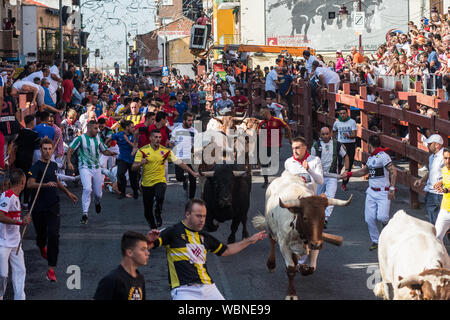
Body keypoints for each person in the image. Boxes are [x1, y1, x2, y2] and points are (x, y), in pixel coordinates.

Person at [146, 199, 267, 300]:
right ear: (187, 214)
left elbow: (226, 250)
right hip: (184, 290)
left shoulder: (204, 236)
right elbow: (146, 246)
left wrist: (250, 240)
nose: (202, 220)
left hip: (209, 287)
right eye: (198, 216)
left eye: (204, 216)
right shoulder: (173, 232)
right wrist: (148, 240)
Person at [28, 138, 78, 282]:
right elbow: (30, 185)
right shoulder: (36, 167)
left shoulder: (54, 165)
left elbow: (55, 181)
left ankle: (51, 269)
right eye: (45, 149)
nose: (48, 151)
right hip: (38, 207)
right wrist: (44, 185)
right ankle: (41, 245)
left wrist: (68, 193)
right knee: (41, 237)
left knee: (54, 235)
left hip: (53, 205)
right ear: (40, 150)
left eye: (50, 149)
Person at [132, 129, 199, 229]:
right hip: (146, 184)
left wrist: (192, 172)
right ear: (150, 138)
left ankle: (158, 212)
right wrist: (141, 163)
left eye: (159, 137)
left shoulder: (166, 151)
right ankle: (153, 228)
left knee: (160, 196)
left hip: (160, 181)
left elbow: (179, 162)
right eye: (155, 137)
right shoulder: (142, 151)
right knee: (147, 211)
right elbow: (133, 167)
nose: (158, 139)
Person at [340, 135, 397, 251]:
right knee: (369, 218)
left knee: (382, 217)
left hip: (383, 192)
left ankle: (388, 233)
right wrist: (349, 174)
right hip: (371, 191)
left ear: (369, 145)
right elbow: (363, 171)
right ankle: (376, 241)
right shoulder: (371, 158)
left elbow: (393, 171)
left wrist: (392, 189)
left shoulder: (383, 156)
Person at [67, 120, 118, 225]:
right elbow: (70, 149)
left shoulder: (97, 138)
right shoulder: (80, 138)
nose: (97, 130)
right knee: (87, 188)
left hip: (96, 168)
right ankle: (85, 214)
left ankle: (97, 202)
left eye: (98, 128)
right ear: (89, 128)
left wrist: (111, 153)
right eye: (95, 128)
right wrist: (68, 162)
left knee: (98, 194)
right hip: (84, 167)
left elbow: (104, 150)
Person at [0, 169, 30, 300]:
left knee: (20, 272)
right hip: (3, 243)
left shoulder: (16, 197)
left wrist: (23, 220)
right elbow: (0, 216)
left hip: (16, 242)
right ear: (23, 182)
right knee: (3, 276)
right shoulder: (7, 195)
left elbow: (15, 219)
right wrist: (20, 223)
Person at [311, 127, 349, 228]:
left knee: (330, 196)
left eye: (327, 134)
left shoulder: (337, 144)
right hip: (319, 176)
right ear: (320, 135)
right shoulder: (316, 145)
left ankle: (325, 219)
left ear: (331, 134)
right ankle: (319, 217)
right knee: (318, 199)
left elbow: (346, 156)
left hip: (333, 176)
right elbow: (311, 161)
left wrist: (346, 170)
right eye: (323, 134)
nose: (325, 136)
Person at [93, 231, 149, 300]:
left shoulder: (140, 279)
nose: (147, 253)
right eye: (143, 249)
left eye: (147, 249)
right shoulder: (112, 280)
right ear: (129, 252)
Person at [413, 134, 444, 225]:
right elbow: (431, 172)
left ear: (437, 145)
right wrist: (421, 180)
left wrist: (442, 182)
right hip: (431, 192)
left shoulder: (445, 157)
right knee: (434, 221)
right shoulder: (432, 157)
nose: (427, 146)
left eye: (430, 144)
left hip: (442, 193)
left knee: (442, 221)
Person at [258, 106, 292, 188]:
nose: (261, 114)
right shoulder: (261, 123)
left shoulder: (277, 120)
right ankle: (266, 181)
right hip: (265, 146)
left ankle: (281, 181)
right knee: (264, 163)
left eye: (262, 112)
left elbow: (287, 127)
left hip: (275, 145)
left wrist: (290, 139)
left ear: (267, 111)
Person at [13, 115, 39, 211]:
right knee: (27, 180)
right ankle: (25, 202)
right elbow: (39, 143)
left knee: (18, 179)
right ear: (32, 122)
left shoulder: (20, 132)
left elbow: (15, 142)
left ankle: (17, 201)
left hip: (19, 160)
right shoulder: (34, 135)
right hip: (28, 161)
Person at [171, 112, 198, 199]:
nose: (191, 122)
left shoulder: (194, 131)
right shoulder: (176, 130)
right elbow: (172, 141)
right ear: (184, 121)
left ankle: (191, 198)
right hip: (179, 157)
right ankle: (184, 180)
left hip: (190, 157)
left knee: (193, 178)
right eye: (189, 120)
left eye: (192, 120)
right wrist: (171, 143)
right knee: (179, 177)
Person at [112, 120, 139, 200]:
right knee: (120, 174)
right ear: (127, 127)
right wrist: (106, 143)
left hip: (132, 160)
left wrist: (127, 140)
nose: (134, 129)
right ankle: (122, 192)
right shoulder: (120, 134)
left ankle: (135, 191)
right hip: (122, 159)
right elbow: (111, 137)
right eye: (132, 127)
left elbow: (135, 146)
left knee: (133, 178)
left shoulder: (134, 136)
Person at [333, 107, 357, 191]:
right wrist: (334, 142)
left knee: (349, 165)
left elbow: (355, 135)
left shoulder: (352, 122)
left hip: (350, 144)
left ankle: (344, 184)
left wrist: (349, 136)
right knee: (339, 163)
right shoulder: (336, 123)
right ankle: (335, 179)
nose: (342, 115)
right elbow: (334, 132)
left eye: (344, 113)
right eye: (341, 113)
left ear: (347, 113)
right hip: (340, 144)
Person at [432, 147, 450, 243]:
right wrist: (441, 181)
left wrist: (446, 190)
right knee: (437, 238)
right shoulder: (444, 170)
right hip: (444, 210)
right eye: (445, 158)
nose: (447, 161)